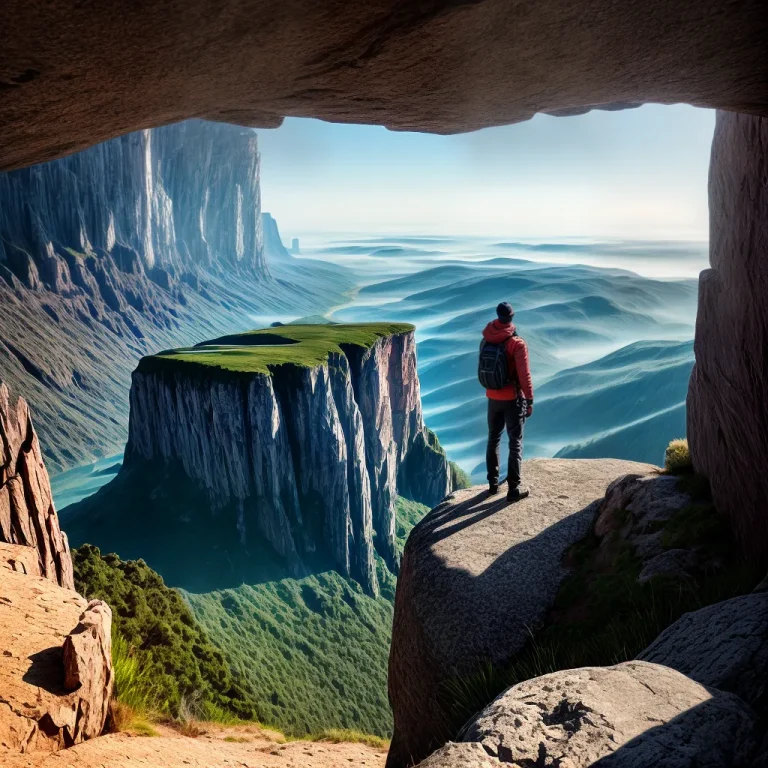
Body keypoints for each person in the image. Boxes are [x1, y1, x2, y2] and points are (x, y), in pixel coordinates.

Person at [481, 301, 534, 501]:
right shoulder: (516, 344)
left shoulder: (486, 338)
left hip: (492, 397)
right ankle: (513, 490)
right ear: (512, 317)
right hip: (513, 398)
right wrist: (529, 400)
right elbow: (524, 375)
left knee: (493, 438)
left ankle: (493, 485)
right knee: (515, 443)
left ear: (498, 316)